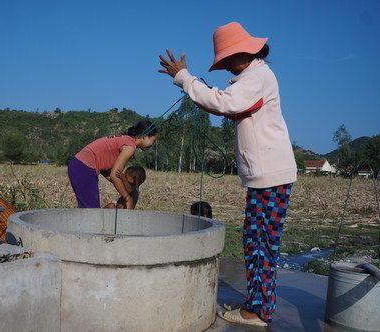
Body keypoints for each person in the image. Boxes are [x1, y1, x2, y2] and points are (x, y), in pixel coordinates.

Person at [159, 22, 297, 327]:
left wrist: (184, 78)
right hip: (267, 176)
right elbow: (228, 103)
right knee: (256, 239)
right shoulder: (252, 78)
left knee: (260, 242)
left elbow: (226, 103)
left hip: (270, 176)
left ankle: (258, 310)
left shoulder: (257, 76)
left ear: (240, 54)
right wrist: (197, 87)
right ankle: (258, 303)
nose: (225, 67)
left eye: (227, 60)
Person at [68, 120, 158, 209]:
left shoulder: (125, 140)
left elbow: (109, 171)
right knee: (90, 212)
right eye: (153, 140)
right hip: (84, 167)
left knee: (91, 210)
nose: (153, 144)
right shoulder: (130, 147)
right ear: (144, 136)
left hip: (79, 165)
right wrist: (127, 198)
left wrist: (125, 185)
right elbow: (114, 175)